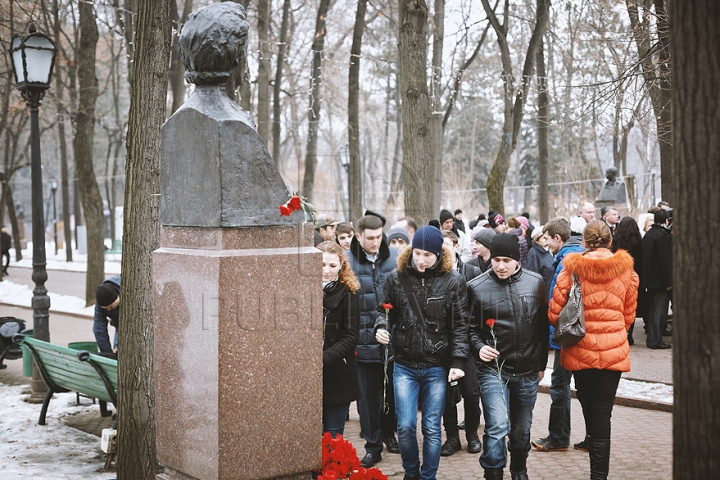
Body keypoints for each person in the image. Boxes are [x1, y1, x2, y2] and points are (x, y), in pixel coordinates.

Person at [375, 225, 469, 480]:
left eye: (428, 254)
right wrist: (381, 327)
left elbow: (460, 324)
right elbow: (384, 312)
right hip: (404, 364)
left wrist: (458, 361)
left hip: (436, 366)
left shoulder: (453, 280)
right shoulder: (397, 278)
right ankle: (411, 473)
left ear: (438, 254)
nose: (421, 259)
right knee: (405, 427)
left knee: (431, 427)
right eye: (417, 252)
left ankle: (428, 476)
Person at [548, 220, 638, 480]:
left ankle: (595, 464)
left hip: (580, 350)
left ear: (585, 243)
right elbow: (629, 315)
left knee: (590, 408)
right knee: (603, 412)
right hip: (613, 350)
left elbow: (555, 313)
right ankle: (599, 476)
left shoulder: (570, 270)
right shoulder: (628, 272)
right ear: (610, 241)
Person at [468, 233, 549, 480]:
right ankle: (493, 473)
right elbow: (469, 328)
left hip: (527, 368)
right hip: (493, 369)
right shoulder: (476, 287)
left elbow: (542, 328)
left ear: (517, 260)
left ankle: (518, 470)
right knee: (496, 426)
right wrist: (478, 347)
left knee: (522, 429)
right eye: (496, 260)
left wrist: (542, 363)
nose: (501, 266)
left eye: (506, 260)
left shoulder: (536, 283)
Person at [349, 214, 400, 467]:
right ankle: (372, 445)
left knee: (391, 393)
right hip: (360, 342)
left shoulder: (395, 259)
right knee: (367, 399)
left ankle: (390, 435)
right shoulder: (347, 263)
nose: (375, 242)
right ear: (359, 236)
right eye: (370, 238)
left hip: (391, 342)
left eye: (379, 237)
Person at [533, 217, 585, 453]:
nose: (546, 244)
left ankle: (558, 437)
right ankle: (592, 436)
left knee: (559, 385)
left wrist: (552, 331)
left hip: (568, 334)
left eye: (547, 239)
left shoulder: (565, 261)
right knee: (583, 387)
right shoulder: (581, 254)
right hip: (582, 332)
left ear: (557, 238)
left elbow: (558, 300)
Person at [439, 231, 482, 456]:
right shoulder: (437, 274)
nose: (444, 249)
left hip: (468, 343)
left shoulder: (472, 272)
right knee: (447, 395)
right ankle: (452, 438)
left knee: (471, 392)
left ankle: (472, 435)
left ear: (456, 246)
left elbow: (479, 306)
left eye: (447, 245)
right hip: (444, 345)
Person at [317, 241, 362, 436]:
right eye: (321, 264)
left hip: (337, 373)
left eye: (332, 265)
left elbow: (351, 336)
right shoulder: (300, 290)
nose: (326, 270)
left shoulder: (348, 292)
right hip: (307, 377)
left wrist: (322, 359)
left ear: (341, 266)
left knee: (333, 435)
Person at [641, 209, 673, 350]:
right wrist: (668, 282)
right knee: (659, 312)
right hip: (660, 282)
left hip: (649, 280)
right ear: (666, 221)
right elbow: (665, 262)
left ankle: (653, 339)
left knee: (653, 309)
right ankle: (655, 340)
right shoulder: (663, 237)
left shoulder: (649, 235)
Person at [611, 217, 645, 345]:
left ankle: (622, 331)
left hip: (619, 277)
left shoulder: (616, 242)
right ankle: (629, 333)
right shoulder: (639, 243)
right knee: (631, 306)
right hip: (635, 277)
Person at [94, 276, 121, 353]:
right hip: (119, 326)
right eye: (105, 308)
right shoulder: (101, 297)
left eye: (110, 306)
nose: (108, 310)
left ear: (117, 297)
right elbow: (99, 328)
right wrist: (107, 353)